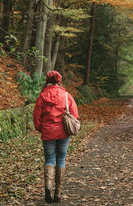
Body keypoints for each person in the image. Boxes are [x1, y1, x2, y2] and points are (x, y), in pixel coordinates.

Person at [33, 70, 79, 203]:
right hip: (63, 132)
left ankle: (48, 188)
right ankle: (58, 193)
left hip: (48, 132)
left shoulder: (42, 96)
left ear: (47, 81)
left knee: (49, 159)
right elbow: (74, 114)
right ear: (59, 80)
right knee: (61, 159)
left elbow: (36, 116)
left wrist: (40, 128)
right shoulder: (66, 95)